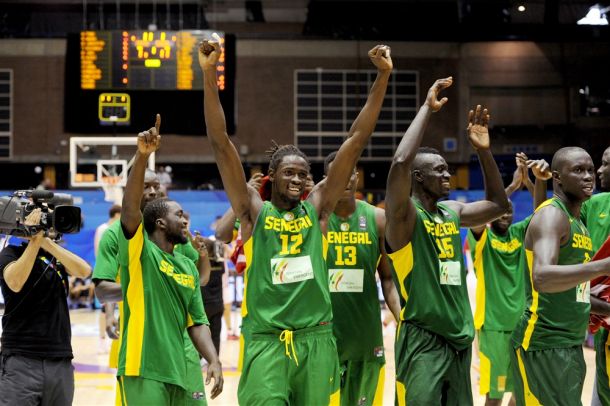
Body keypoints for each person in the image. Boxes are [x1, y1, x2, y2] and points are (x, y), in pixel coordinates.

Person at [199, 33, 392, 404]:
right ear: (273, 175)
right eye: (289, 172)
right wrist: (210, 75)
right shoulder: (253, 211)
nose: (299, 179)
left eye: (304, 173)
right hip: (267, 340)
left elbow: (357, 139)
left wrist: (382, 77)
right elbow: (220, 142)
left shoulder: (318, 209)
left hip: (316, 340)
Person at [384, 76, 510, 404]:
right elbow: (399, 162)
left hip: (459, 340)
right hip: (422, 338)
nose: (446, 175)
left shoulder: (451, 212)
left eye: (446, 170)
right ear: (417, 177)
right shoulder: (404, 218)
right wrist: (427, 109)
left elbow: (499, 205)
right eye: (438, 170)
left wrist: (484, 152)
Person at [105, 115, 222, 404]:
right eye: (178, 216)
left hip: (180, 365)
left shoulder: (186, 266)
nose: (185, 221)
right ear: (159, 222)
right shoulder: (140, 250)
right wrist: (142, 156)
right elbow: (131, 209)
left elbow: (197, 321)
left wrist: (214, 359)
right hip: (143, 366)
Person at [93, 167, 213, 404]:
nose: (153, 192)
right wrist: (114, 311)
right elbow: (102, 289)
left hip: (184, 344)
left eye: (157, 186)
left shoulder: (173, 232)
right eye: (145, 186)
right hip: (143, 344)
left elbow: (197, 280)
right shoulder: (115, 235)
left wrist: (203, 256)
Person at [510, 146, 610, 405]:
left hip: (569, 344)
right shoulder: (553, 215)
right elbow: (542, 278)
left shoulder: (579, 226)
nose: (589, 176)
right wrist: (603, 266)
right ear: (558, 177)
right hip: (543, 344)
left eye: (590, 170)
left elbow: (577, 293)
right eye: (578, 170)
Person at [469, 153, 550, 405]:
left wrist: (530, 181)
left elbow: (541, 214)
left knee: (520, 389)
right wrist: (512, 186)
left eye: (509, 212)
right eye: (500, 211)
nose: (505, 215)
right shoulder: (481, 238)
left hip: (520, 322)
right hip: (492, 325)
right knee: (494, 393)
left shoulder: (518, 233)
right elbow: (483, 213)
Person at [323, 151, 401, 406]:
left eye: (350, 173)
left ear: (358, 177)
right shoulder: (315, 219)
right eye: (337, 174)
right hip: (323, 337)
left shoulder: (377, 219)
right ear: (327, 178)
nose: (344, 179)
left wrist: (402, 317)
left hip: (365, 337)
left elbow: (387, 279)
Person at [0, 214, 91, 406]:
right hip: (21, 359)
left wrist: (46, 243)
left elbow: (84, 271)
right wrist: (34, 241)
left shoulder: (56, 257)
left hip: (61, 359)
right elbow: (15, 283)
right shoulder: (10, 253)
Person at [581, 145, 610, 406]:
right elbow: (551, 216)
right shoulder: (596, 203)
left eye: (604, 163)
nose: (599, 171)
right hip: (602, 318)